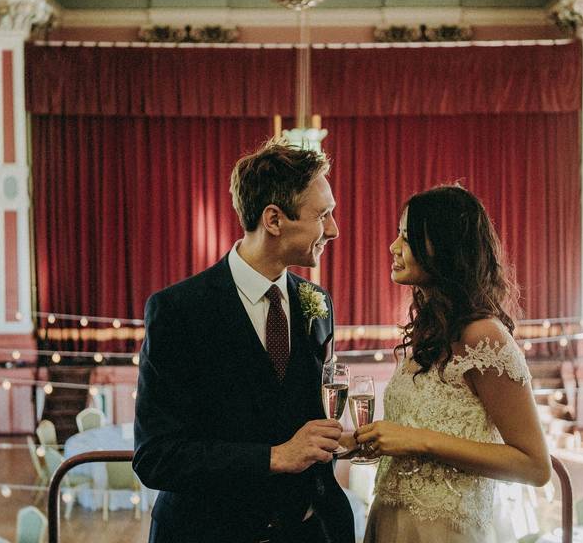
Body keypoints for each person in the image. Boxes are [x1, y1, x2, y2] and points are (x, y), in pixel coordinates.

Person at [134, 140, 355, 543]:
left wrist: (341, 441)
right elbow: (156, 456)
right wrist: (274, 457)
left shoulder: (317, 304)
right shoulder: (178, 311)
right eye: (323, 215)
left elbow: (306, 415)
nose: (334, 230)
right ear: (274, 219)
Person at [357, 185, 551, 543]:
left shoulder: (483, 336)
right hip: (390, 522)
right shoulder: (431, 331)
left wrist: (418, 440)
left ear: (444, 248)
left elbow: (535, 466)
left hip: (443, 532)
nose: (393, 247)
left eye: (408, 237)